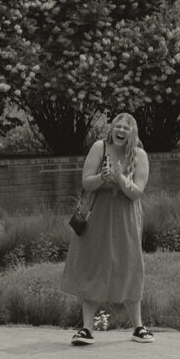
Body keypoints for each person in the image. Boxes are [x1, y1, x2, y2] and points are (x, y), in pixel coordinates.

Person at [61, 112, 154, 346]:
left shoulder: (139, 155)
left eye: (126, 127)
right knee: (93, 265)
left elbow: (137, 192)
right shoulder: (99, 147)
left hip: (126, 218)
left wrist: (121, 177)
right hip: (97, 216)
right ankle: (86, 329)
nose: (121, 130)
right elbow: (86, 182)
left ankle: (138, 327)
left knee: (130, 265)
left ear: (133, 133)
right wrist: (103, 177)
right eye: (117, 126)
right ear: (111, 129)